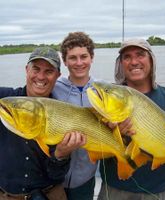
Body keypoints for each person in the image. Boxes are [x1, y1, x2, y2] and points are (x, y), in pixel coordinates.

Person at [98, 39, 165, 200]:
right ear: (120, 64)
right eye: (127, 57)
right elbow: (93, 143)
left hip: (159, 191)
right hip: (114, 188)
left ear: (151, 60)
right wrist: (115, 133)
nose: (134, 62)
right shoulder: (106, 99)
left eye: (140, 55)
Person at [0, 47, 86, 200]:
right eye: (36, 69)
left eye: (48, 71)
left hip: (49, 194)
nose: (40, 77)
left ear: (58, 76)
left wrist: (61, 155)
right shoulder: (5, 99)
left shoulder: (63, 116)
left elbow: (56, 175)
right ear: (27, 69)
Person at [52, 32, 97, 200]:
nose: (79, 63)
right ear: (64, 61)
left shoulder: (104, 90)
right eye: (72, 58)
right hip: (54, 180)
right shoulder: (52, 88)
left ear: (91, 57)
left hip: (85, 178)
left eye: (84, 56)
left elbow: (132, 98)